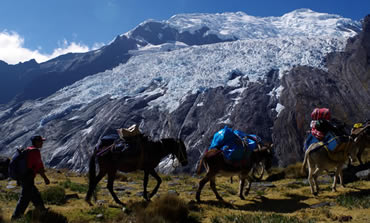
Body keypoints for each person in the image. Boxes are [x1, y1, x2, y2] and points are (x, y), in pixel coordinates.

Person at [11, 135, 50, 220]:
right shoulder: (35, 152)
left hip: (23, 177)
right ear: (36, 142)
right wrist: (45, 178)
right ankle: (15, 217)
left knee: (35, 194)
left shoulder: (27, 150)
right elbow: (39, 168)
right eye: (41, 141)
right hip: (28, 178)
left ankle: (42, 210)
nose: (42, 143)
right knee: (25, 199)